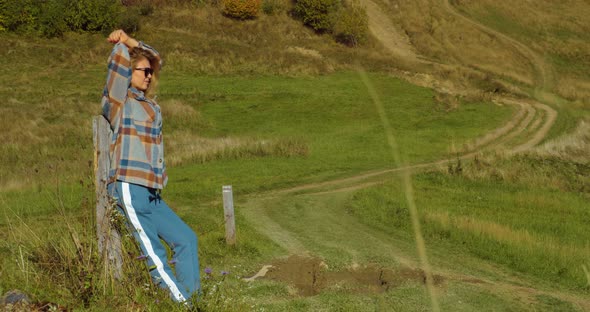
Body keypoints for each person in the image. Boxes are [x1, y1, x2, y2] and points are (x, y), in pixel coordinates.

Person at [102, 29, 200, 303]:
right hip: (129, 186)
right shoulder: (120, 101)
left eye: (149, 72)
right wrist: (122, 45)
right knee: (153, 252)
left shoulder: (150, 106)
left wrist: (133, 41)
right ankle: (184, 305)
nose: (148, 75)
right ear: (128, 73)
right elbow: (117, 67)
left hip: (151, 192)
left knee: (186, 239)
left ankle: (194, 301)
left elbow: (156, 58)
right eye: (141, 70)